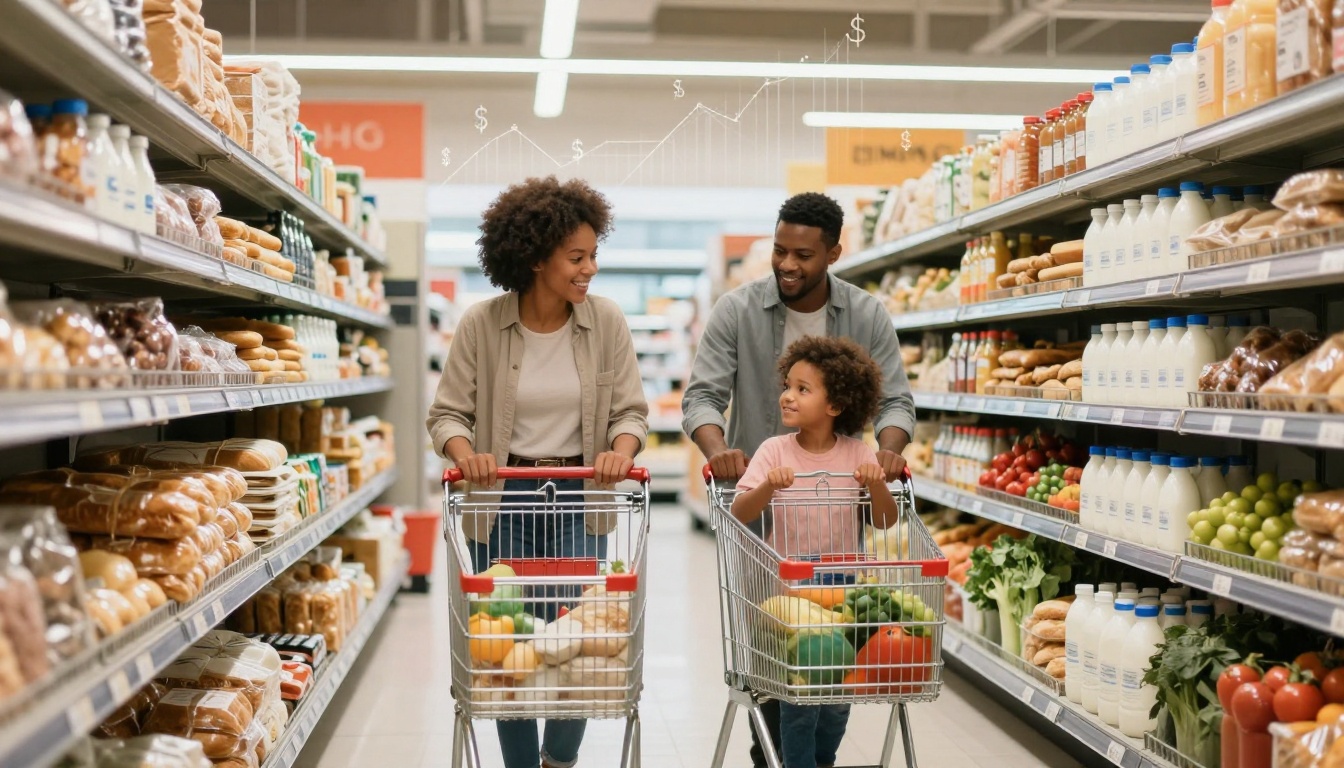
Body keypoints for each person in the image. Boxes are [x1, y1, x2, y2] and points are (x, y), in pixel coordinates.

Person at [681, 192, 915, 767]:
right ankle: (777, 759)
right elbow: (703, 397)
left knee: (829, 659)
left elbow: (898, 403)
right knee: (770, 657)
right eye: (780, 250)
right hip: (763, 526)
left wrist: (885, 455)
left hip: (836, 517)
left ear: (834, 251)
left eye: (803, 255)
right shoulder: (737, 311)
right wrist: (721, 453)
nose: (787, 264)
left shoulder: (866, 314)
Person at [426, 175, 648, 768]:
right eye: (577, 257)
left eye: (594, 255)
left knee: (572, 636)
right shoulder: (482, 324)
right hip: (505, 497)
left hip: (582, 496)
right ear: (534, 256)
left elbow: (630, 410)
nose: (590, 269)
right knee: (510, 641)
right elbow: (446, 413)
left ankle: (560, 760)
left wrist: (620, 451)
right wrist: (463, 452)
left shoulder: (606, 323)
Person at [732, 336, 898, 768]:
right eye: (788, 385)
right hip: (790, 593)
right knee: (800, 697)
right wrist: (769, 485)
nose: (788, 395)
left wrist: (876, 482)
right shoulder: (774, 450)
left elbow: (885, 521)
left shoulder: (858, 453)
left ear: (836, 405)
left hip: (844, 594)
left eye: (803, 389)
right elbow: (739, 509)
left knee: (837, 698)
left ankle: (823, 759)